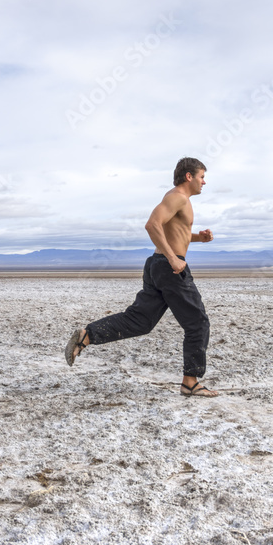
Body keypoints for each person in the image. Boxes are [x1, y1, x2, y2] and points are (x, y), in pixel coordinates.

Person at [64, 157, 218, 397]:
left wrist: (199, 237)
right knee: (197, 323)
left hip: (158, 266)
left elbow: (174, 231)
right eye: (201, 177)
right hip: (169, 268)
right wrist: (173, 258)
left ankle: (87, 335)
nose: (204, 182)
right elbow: (152, 225)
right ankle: (190, 383)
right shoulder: (177, 196)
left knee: (140, 321)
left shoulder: (180, 200)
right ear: (189, 176)